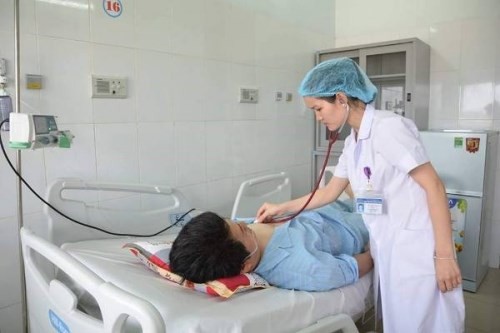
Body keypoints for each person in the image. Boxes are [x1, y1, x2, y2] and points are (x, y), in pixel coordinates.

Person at [255, 57, 465, 332]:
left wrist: (445, 257)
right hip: (388, 247)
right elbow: (329, 192)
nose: (318, 118)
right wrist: (280, 208)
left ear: (341, 98)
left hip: (417, 249)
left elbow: (434, 186)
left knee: (428, 322)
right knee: (403, 322)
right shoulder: (353, 141)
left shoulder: (388, 128)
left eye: (319, 108)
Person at [169, 201, 373, 291]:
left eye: (231, 221)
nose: (242, 223)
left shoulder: (237, 238)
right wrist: (376, 252)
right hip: (360, 224)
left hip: (333, 205)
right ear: (246, 266)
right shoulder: (297, 266)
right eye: (241, 230)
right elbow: (348, 269)